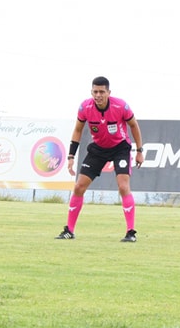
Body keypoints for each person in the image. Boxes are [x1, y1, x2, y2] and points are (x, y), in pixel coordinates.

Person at [56, 76, 144, 242]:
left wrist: (139, 150)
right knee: (78, 187)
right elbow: (77, 130)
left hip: (120, 148)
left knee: (123, 187)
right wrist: (70, 156)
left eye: (102, 92)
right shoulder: (85, 107)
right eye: (95, 91)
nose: (98, 95)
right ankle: (69, 231)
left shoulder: (121, 106)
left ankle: (130, 232)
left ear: (109, 93)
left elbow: (134, 125)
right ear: (91, 92)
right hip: (98, 149)